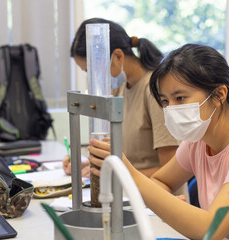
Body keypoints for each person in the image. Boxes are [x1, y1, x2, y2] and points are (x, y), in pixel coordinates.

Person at [88, 44, 229, 239]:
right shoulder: (199, 137)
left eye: (180, 98)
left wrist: (130, 174)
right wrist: (171, 205)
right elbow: (161, 181)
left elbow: (211, 229)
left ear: (219, 95)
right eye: (165, 101)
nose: (171, 109)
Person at [63, 18, 179, 178]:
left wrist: (115, 175)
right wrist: (89, 166)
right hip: (126, 190)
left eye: (92, 70)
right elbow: (124, 158)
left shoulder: (156, 90)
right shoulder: (119, 88)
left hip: (156, 196)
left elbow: (172, 171)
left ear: (118, 56)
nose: (93, 78)